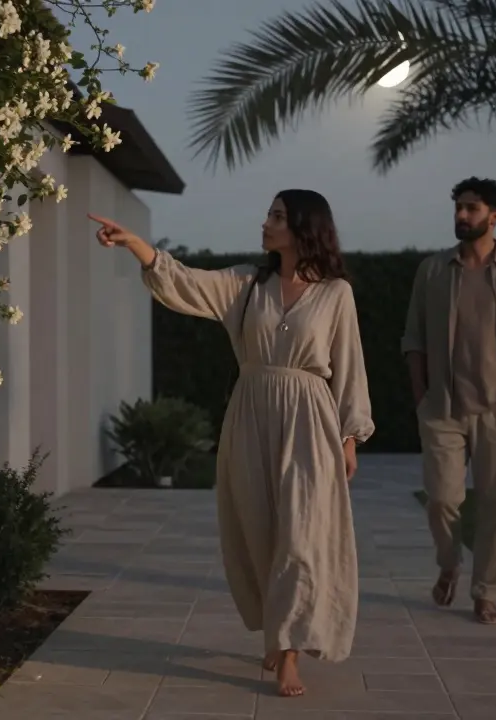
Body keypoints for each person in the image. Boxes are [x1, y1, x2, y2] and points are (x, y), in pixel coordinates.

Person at [89, 189, 374, 698]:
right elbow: (187, 284)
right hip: (251, 413)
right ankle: (277, 630)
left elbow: (349, 367)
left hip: (309, 418)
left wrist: (350, 436)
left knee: (302, 538)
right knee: (260, 532)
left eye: (278, 216)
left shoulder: (336, 294)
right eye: (269, 214)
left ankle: (288, 654)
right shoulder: (247, 283)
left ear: (305, 226)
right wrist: (137, 245)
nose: (266, 223)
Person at [400, 177, 496, 625]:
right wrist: (421, 397)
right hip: (443, 408)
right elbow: (413, 339)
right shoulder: (432, 270)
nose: (462, 216)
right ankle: (450, 562)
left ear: (494, 216)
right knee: (442, 499)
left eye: (471, 209)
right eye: (458, 208)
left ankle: (486, 593)